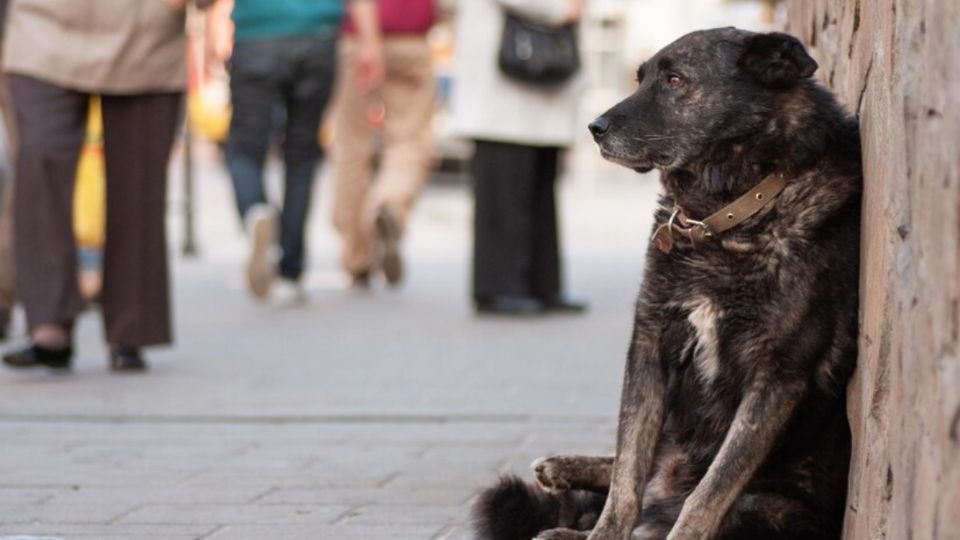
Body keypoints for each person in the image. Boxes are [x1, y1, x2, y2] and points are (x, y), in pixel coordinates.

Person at [0, 0, 213, 372]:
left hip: (146, 33)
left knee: (138, 183)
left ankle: (130, 327)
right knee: (40, 161)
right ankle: (48, 323)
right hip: (40, 28)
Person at [225, 0, 383, 305]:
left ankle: (255, 210)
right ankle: (290, 271)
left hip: (256, 34)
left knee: (245, 148)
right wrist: (370, 41)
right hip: (317, 37)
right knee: (302, 154)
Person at [453, 0, 587, 315]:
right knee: (502, 193)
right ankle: (498, 286)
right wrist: (559, 8)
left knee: (541, 188)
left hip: (543, 71)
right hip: (502, 82)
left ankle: (543, 284)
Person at [330, 0, 436, 289]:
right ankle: (388, 204)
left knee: (351, 146)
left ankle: (357, 256)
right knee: (410, 139)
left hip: (358, 37)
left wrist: (369, 40)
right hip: (412, 40)